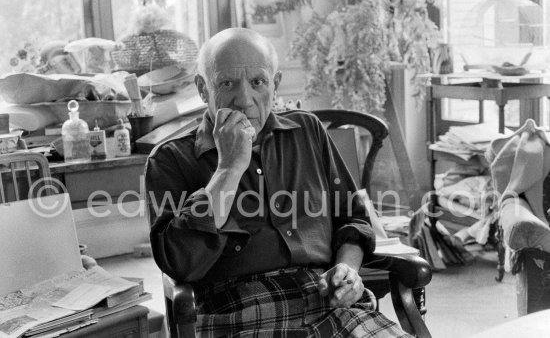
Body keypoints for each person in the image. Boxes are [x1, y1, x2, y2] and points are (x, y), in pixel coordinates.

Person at [145, 28, 411, 337]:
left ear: (276, 85)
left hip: (326, 300)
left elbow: (352, 217)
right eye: (227, 83)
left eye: (258, 82)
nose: (244, 99)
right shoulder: (169, 159)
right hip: (236, 312)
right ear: (204, 89)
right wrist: (229, 169)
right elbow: (179, 263)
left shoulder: (307, 130)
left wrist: (348, 270)